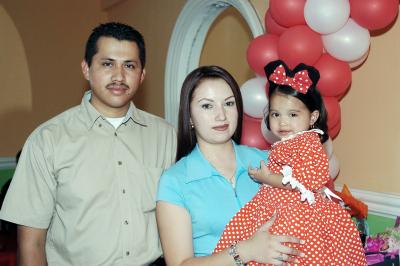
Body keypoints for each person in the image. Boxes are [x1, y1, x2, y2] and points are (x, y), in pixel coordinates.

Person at [0, 22, 176, 265]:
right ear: (86, 69)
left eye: (129, 66)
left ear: (142, 74)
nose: (119, 76)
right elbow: (31, 243)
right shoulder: (47, 140)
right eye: (107, 64)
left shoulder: (165, 135)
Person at [214, 60, 366, 265]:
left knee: (296, 252)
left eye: (293, 114)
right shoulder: (285, 144)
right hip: (275, 207)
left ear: (313, 117)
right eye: (276, 114)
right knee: (254, 239)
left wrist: (267, 177)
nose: (283, 122)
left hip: (298, 212)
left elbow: (305, 181)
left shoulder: (309, 142)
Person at [156, 65, 306, 266]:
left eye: (228, 103)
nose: (221, 115)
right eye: (207, 106)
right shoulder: (175, 181)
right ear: (190, 116)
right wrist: (245, 251)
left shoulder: (270, 162)